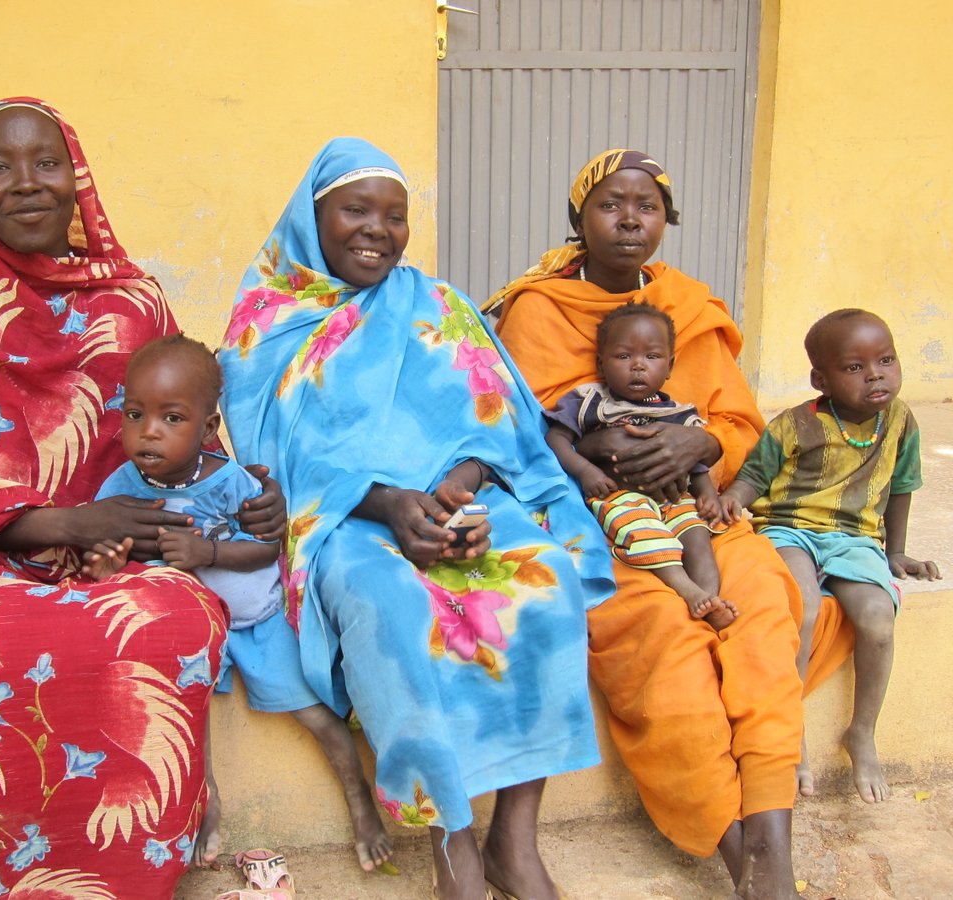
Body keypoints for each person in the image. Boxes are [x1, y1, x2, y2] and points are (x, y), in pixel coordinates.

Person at [0, 98, 285, 899]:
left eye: (46, 162)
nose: (26, 183)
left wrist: (249, 502)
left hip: (124, 550)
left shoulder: (133, 303)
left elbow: (191, 435)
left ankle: (135, 869)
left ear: (76, 176)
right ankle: (2, 875)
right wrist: (67, 523)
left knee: (176, 618)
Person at [218, 137, 615, 900]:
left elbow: (497, 424)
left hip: (454, 501)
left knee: (543, 578)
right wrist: (388, 505)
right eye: (355, 211)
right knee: (394, 608)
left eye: (394, 216)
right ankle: (452, 839)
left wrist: (458, 493)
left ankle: (515, 841)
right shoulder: (267, 325)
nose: (377, 229)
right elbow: (272, 462)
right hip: (340, 519)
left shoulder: (435, 304)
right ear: (311, 219)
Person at [489, 148, 856, 899]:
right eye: (610, 204)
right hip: (599, 521)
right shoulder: (538, 310)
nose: (629, 220)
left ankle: (772, 845)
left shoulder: (686, 305)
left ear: (667, 219)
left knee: (761, 606)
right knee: (665, 635)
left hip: (699, 512)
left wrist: (703, 444)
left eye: (647, 206)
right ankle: (742, 858)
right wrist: (598, 450)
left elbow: (740, 424)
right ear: (579, 217)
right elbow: (514, 430)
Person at [85, 333, 393, 872]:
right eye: (135, 414)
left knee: (314, 715)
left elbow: (266, 549)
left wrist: (206, 552)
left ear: (209, 429)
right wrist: (108, 567)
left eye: (172, 418)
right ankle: (206, 802)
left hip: (256, 620)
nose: (149, 431)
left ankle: (359, 797)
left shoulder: (230, 482)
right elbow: (113, 557)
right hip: (189, 630)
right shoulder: (120, 489)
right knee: (188, 714)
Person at [716, 309, 941, 802]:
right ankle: (791, 730)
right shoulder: (794, 425)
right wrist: (733, 497)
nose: (875, 375)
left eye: (886, 361)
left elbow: (902, 486)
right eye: (854, 367)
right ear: (821, 379)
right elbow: (755, 475)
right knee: (802, 607)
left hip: (855, 537)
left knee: (878, 615)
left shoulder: (901, 420)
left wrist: (896, 551)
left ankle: (862, 732)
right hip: (789, 529)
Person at [545, 300, 736, 629]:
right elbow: (556, 439)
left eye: (652, 356)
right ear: (601, 363)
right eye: (623, 356)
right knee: (644, 530)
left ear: (670, 366)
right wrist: (585, 470)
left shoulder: (679, 413)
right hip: (619, 496)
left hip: (674, 497)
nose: (637, 366)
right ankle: (687, 590)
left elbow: (696, 464)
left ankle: (710, 596)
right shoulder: (590, 401)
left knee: (697, 534)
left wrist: (707, 494)